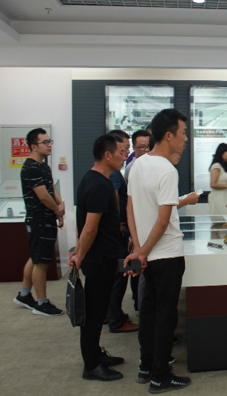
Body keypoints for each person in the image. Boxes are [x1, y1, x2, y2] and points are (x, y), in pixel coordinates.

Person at [124, 109, 192, 393]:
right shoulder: (166, 170)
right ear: (168, 135)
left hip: (148, 254)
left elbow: (130, 209)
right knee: (165, 316)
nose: (185, 139)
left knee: (149, 312)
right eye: (183, 133)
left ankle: (147, 365)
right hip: (166, 254)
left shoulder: (138, 164)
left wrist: (139, 248)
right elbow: (164, 221)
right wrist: (143, 251)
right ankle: (160, 376)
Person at [68, 134, 126, 381]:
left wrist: (78, 249)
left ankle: (95, 355)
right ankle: (91, 365)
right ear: (107, 155)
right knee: (94, 314)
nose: (125, 157)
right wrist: (80, 255)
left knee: (97, 309)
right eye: (121, 152)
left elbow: (82, 224)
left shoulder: (91, 179)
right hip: (99, 259)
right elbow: (90, 228)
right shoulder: (100, 185)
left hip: (98, 256)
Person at [13, 128, 65, 316]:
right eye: (45, 142)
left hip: (47, 217)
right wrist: (57, 209)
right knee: (41, 262)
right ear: (34, 146)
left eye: (50, 141)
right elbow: (43, 196)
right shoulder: (31, 167)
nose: (49, 145)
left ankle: (24, 295)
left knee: (36, 257)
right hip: (38, 219)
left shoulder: (43, 166)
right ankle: (41, 303)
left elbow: (51, 188)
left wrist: (60, 205)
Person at [106, 130, 139, 334]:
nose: (127, 153)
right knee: (120, 276)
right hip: (118, 234)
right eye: (124, 149)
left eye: (127, 148)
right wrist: (120, 223)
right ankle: (116, 320)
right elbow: (115, 199)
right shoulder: (114, 174)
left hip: (119, 231)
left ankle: (113, 314)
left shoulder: (116, 172)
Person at [208, 143, 227, 214]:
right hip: (218, 198)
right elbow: (213, 184)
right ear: (221, 153)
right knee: (222, 217)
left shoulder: (222, 167)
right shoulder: (216, 166)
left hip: (224, 196)